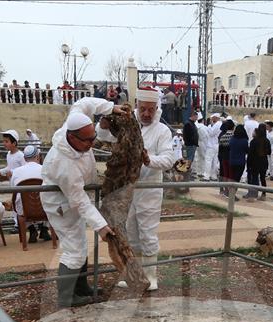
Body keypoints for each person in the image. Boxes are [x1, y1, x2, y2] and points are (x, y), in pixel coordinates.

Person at [41, 98, 126, 307]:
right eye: (87, 141)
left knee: (80, 245)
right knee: (74, 250)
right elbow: (79, 201)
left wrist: (111, 108)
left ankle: (81, 288)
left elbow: (85, 103)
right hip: (61, 205)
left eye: (93, 138)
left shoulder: (75, 121)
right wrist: (101, 226)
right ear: (72, 137)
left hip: (74, 198)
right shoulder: (64, 165)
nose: (91, 144)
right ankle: (66, 298)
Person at [104, 89, 176, 292]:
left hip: (149, 190)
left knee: (148, 234)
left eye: (150, 110)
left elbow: (169, 159)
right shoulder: (126, 123)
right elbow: (104, 136)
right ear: (136, 105)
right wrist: (104, 124)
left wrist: (148, 160)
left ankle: (151, 276)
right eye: (143, 109)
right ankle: (134, 275)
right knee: (131, 234)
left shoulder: (162, 131)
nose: (146, 114)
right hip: (127, 189)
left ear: (156, 108)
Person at [10, 144, 52, 243]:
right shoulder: (45, 170)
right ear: (38, 156)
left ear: (24, 158)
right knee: (49, 199)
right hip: (43, 209)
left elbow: (13, 191)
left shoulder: (16, 172)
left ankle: (32, 229)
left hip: (25, 210)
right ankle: (44, 229)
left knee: (19, 202)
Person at [246, 123, 271, 200]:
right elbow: (269, 152)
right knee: (263, 178)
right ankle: (263, 194)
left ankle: (253, 194)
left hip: (255, 162)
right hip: (264, 162)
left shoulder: (254, 141)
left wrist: (248, 164)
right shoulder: (267, 141)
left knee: (254, 178)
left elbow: (250, 154)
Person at [228, 124, 249, 197]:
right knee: (237, 179)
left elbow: (229, 147)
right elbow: (247, 150)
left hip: (232, 161)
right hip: (240, 162)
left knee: (232, 178)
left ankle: (231, 193)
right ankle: (233, 194)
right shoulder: (245, 140)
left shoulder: (232, 139)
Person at [217, 119, 236, 194]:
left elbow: (220, 148)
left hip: (223, 156)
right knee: (229, 174)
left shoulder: (222, 135)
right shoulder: (233, 136)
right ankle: (227, 190)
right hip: (230, 157)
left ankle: (223, 189)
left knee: (223, 173)